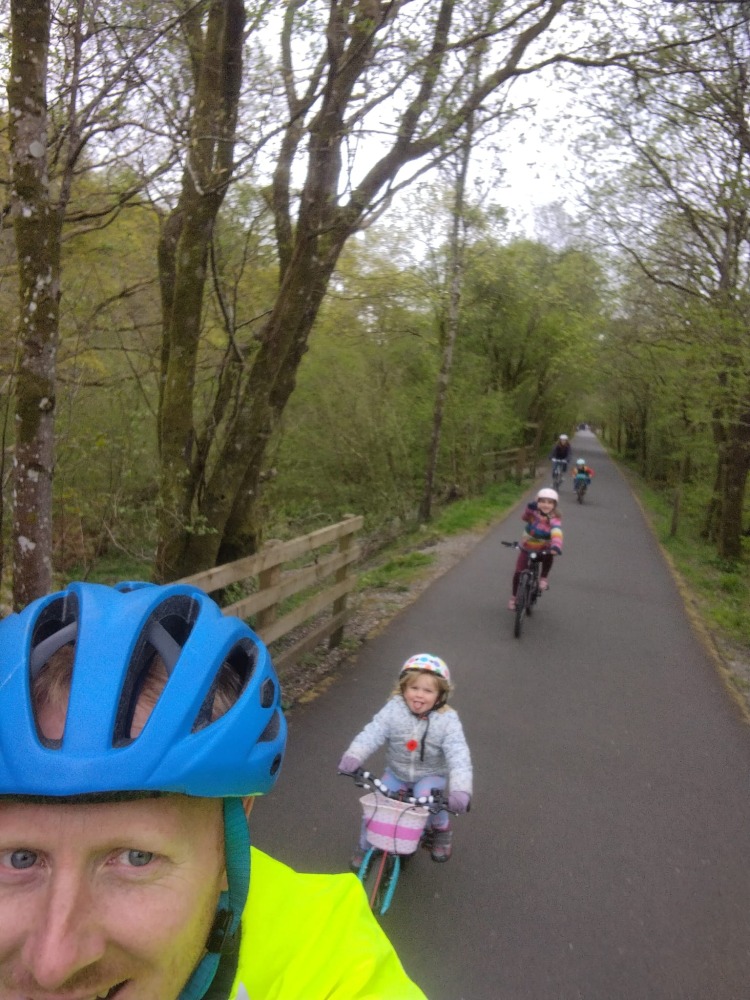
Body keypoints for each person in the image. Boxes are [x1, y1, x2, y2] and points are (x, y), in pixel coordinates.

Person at [0, 581, 427, 1000]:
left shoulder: (325, 954)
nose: (53, 965)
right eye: (19, 859)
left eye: (137, 857)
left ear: (227, 842)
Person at [338, 653, 472, 867]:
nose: (419, 695)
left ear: (440, 695)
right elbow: (374, 731)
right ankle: (365, 847)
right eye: (414, 688)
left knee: (426, 797)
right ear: (403, 688)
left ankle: (440, 828)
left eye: (428, 690)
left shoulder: (447, 720)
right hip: (396, 773)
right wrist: (354, 755)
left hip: (430, 775)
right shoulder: (394, 709)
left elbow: (459, 755)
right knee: (376, 806)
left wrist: (461, 790)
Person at [508, 487, 563, 610]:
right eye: (542, 501)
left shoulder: (554, 519)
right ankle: (514, 597)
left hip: (544, 548)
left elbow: (557, 532)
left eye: (550, 502)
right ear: (537, 502)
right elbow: (524, 518)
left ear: (554, 505)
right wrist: (529, 509)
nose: (546, 505)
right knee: (518, 572)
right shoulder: (533, 513)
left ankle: (543, 577)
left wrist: (556, 545)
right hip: (527, 546)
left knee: (549, 556)